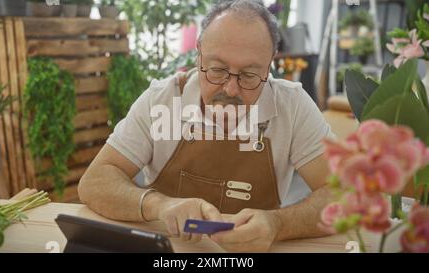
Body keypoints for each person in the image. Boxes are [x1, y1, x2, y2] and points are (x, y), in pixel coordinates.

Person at [78, 0, 334, 252]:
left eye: (248, 75)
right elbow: (95, 182)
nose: (230, 89)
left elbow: (345, 194)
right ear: (199, 52)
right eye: (217, 69)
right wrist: (159, 205)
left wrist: (279, 224)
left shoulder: (292, 106)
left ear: (270, 65)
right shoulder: (162, 100)